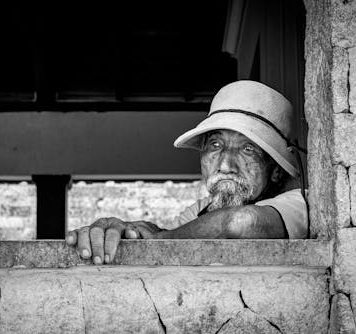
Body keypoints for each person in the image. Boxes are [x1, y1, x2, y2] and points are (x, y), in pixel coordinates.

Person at [66, 80, 308, 264]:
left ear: (275, 170)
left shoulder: (299, 202)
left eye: (247, 149)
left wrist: (159, 240)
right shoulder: (198, 212)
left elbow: (240, 222)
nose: (225, 165)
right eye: (215, 145)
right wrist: (126, 230)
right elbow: (177, 235)